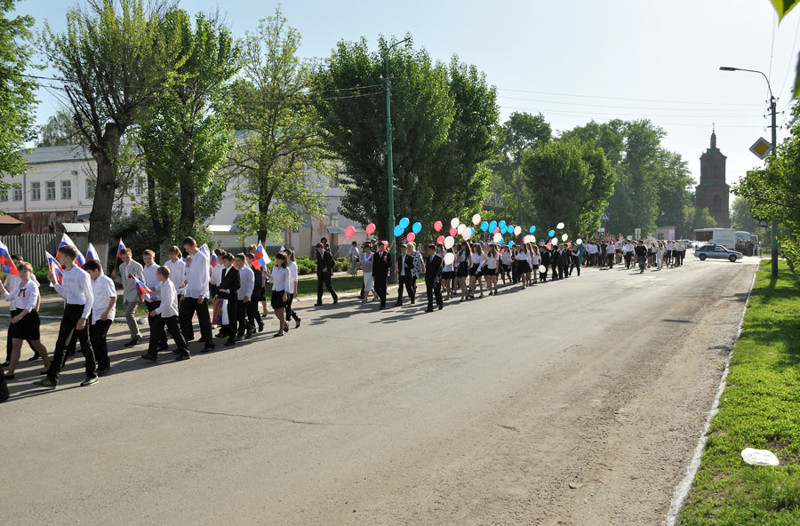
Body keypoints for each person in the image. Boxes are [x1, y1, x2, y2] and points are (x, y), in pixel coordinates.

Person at [36, 245, 97, 389]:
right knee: (61, 344)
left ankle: (92, 375)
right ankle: (52, 378)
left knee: (85, 344)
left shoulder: (82, 274)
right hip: (69, 309)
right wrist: (54, 282)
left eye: (61, 256)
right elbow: (65, 294)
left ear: (68, 258)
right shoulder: (66, 272)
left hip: (80, 310)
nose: (59, 258)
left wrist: (83, 317)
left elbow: (90, 298)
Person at [0, 262, 50, 379]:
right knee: (16, 344)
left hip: (29, 317)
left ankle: (47, 364)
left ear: (30, 272)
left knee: (36, 343)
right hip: (19, 315)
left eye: (25, 271)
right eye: (21, 271)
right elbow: (8, 297)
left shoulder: (32, 285)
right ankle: (11, 372)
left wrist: (19, 316)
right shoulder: (19, 285)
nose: (22, 273)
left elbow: (31, 305)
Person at [142, 266, 190, 362]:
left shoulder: (168, 285)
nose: (156, 276)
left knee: (176, 333)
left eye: (157, 274)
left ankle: (185, 353)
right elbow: (164, 299)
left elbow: (168, 302)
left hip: (170, 313)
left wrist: (156, 311)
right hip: (164, 313)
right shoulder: (164, 284)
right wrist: (157, 298)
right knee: (155, 331)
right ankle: (152, 354)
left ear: (160, 275)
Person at [3, 254, 41, 365]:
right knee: (14, 335)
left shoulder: (29, 276)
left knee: (28, 336)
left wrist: (36, 306)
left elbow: (36, 293)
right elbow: (8, 293)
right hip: (14, 309)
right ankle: (10, 360)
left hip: (26, 311)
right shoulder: (11, 275)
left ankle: (39, 353)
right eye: (14, 263)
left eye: (18, 263)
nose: (16, 265)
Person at [179, 237, 214, 353]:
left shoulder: (202, 257)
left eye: (188, 248)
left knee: (204, 320)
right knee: (184, 317)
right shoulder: (191, 258)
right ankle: (185, 341)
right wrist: (187, 266)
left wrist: (203, 293)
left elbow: (205, 277)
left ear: (194, 245)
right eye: (185, 249)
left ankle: (209, 343)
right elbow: (189, 276)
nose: (187, 251)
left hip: (199, 293)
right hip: (190, 292)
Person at [83, 260, 116, 376]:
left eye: (89, 272)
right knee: (93, 339)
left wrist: (107, 312)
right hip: (94, 314)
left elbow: (113, 297)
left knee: (99, 338)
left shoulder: (106, 280)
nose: (88, 275)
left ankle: (104, 365)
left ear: (96, 271)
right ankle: (95, 359)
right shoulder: (91, 282)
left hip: (105, 313)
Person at [112, 248, 144, 347]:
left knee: (129, 313)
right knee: (128, 316)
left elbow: (142, 281)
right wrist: (115, 277)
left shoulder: (137, 265)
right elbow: (124, 282)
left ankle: (136, 335)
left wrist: (141, 295)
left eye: (128, 257)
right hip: (126, 294)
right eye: (124, 258)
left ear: (131, 255)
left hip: (135, 292)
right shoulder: (121, 266)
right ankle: (135, 336)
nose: (126, 260)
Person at [142, 249, 167, 350]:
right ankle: (159, 342)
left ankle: (162, 343)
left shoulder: (158, 268)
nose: (147, 260)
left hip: (157, 298)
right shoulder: (144, 269)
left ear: (153, 258)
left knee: (156, 322)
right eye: (145, 258)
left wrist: (155, 288)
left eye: (149, 258)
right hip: (149, 299)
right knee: (153, 322)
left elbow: (163, 281)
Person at [215, 252, 240, 347]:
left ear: (231, 261)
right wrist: (217, 294)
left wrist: (228, 290)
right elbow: (222, 284)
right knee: (225, 316)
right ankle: (227, 332)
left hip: (232, 297)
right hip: (224, 297)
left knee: (232, 317)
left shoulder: (235, 271)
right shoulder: (223, 271)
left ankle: (232, 337)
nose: (224, 263)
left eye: (225, 261)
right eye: (223, 261)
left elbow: (237, 285)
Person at [264, 252, 290, 337]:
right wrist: (267, 274)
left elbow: (287, 283)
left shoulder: (286, 270)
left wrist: (285, 294)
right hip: (275, 290)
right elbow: (272, 279)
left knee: (281, 312)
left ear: (283, 260)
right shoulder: (275, 268)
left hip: (282, 292)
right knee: (276, 311)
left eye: (278, 259)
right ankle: (285, 323)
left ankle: (280, 331)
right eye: (277, 258)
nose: (277, 260)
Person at [245, 253, 265, 333]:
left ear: (251, 259)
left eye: (247, 258)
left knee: (254, 309)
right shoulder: (247, 267)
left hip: (255, 292)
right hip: (248, 292)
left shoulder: (256, 268)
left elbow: (257, 281)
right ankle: (252, 326)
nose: (245, 260)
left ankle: (260, 323)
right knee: (249, 310)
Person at [372, 241, 392, 310]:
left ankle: (383, 304)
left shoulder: (387, 254)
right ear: (379, 247)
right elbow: (374, 265)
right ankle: (382, 298)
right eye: (381, 246)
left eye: (383, 246)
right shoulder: (375, 254)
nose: (382, 248)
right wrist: (373, 274)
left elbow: (389, 264)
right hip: (377, 274)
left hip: (383, 274)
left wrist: (386, 260)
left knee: (383, 288)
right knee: (376, 287)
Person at [424, 244, 443, 312]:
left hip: (436, 277)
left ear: (433, 250)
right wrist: (426, 278)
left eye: (429, 250)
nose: (428, 251)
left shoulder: (439, 258)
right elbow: (427, 269)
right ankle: (430, 307)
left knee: (437, 291)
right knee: (429, 292)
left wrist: (437, 276)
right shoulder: (428, 258)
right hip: (429, 278)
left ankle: (440, 303)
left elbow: (440, 268)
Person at [285, 249, 301, 328]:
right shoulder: (284, 264)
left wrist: (295, 290)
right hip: (284, 288)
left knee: (288, 306)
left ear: (289, 255)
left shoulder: (293, 265)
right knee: (287, 305)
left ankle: (287, 321)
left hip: (291, 288)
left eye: (285, 254)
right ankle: (297, 318)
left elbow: (295, 278)